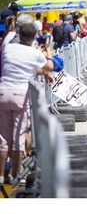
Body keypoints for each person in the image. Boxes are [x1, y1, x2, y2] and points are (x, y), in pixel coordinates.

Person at [0, 22, 55, 185]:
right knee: (18, 136)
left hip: (3, 92)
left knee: (2, 138)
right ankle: (16, 175)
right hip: (20, 95)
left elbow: (20, 63)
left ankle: (1, 175)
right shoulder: (34, 53)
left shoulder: (8, 48)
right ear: (33, 37)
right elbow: (50, 66)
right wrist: (48, 50)